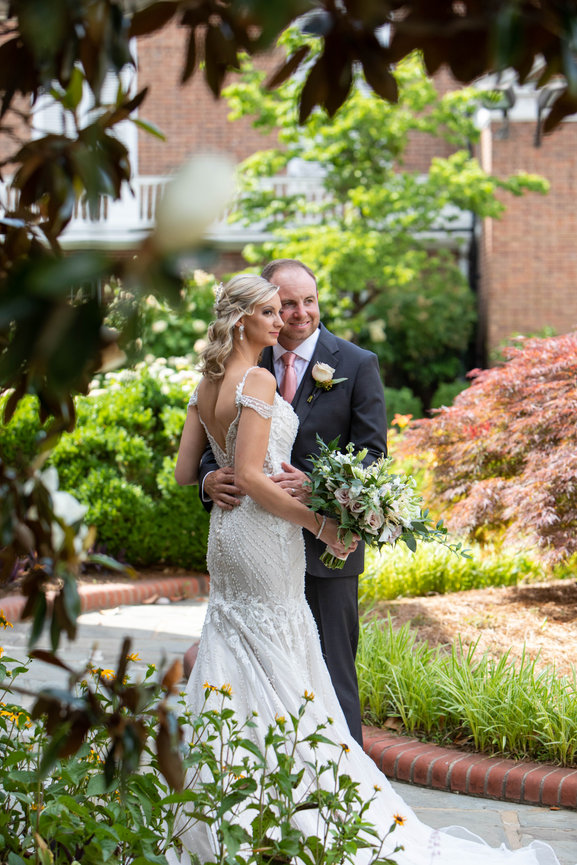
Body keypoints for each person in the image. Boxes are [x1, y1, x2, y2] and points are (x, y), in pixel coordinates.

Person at [171, 272, 563, 865]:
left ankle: (240, 806)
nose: (287, 319)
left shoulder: (227, 376)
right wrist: (316, 522)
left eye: (298, 306)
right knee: (286, 657)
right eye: (275, 310)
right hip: (268, 534)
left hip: (235, 542)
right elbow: (239, 472)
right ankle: (314, 807)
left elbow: (367, 456)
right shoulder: (254, 374)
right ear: (245, 316)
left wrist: (322, 498)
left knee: (268, 659)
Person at [199, 259, 388, 744]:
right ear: (262, 309)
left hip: (326, 545)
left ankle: (344, 798)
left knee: (329, 673)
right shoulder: (244, 359)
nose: (299, 314)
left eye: (310, 301)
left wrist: (320, 487)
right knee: (260, 671)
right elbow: (211, 447)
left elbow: (372, 454)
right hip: (256, 542)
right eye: (287, 303)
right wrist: (208, 481)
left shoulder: (355, 363)